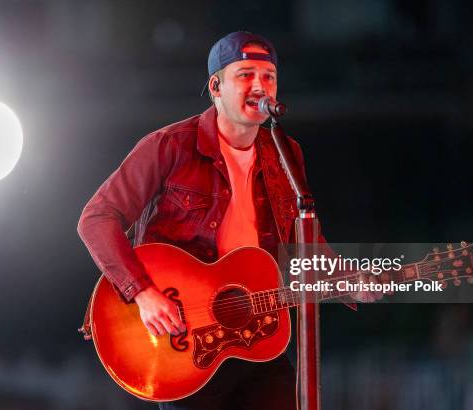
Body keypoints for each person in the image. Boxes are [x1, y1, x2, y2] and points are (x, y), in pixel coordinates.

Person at [78, 31, 374, 410]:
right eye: (246, 75)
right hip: (185, 339)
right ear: (216, 86)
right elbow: (97, 218)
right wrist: (142, 292)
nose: (260, 86)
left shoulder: (286, 154)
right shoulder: (170, 145)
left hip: (258, 334)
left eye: (268, 76)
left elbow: (306, 241)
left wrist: (348, 279)